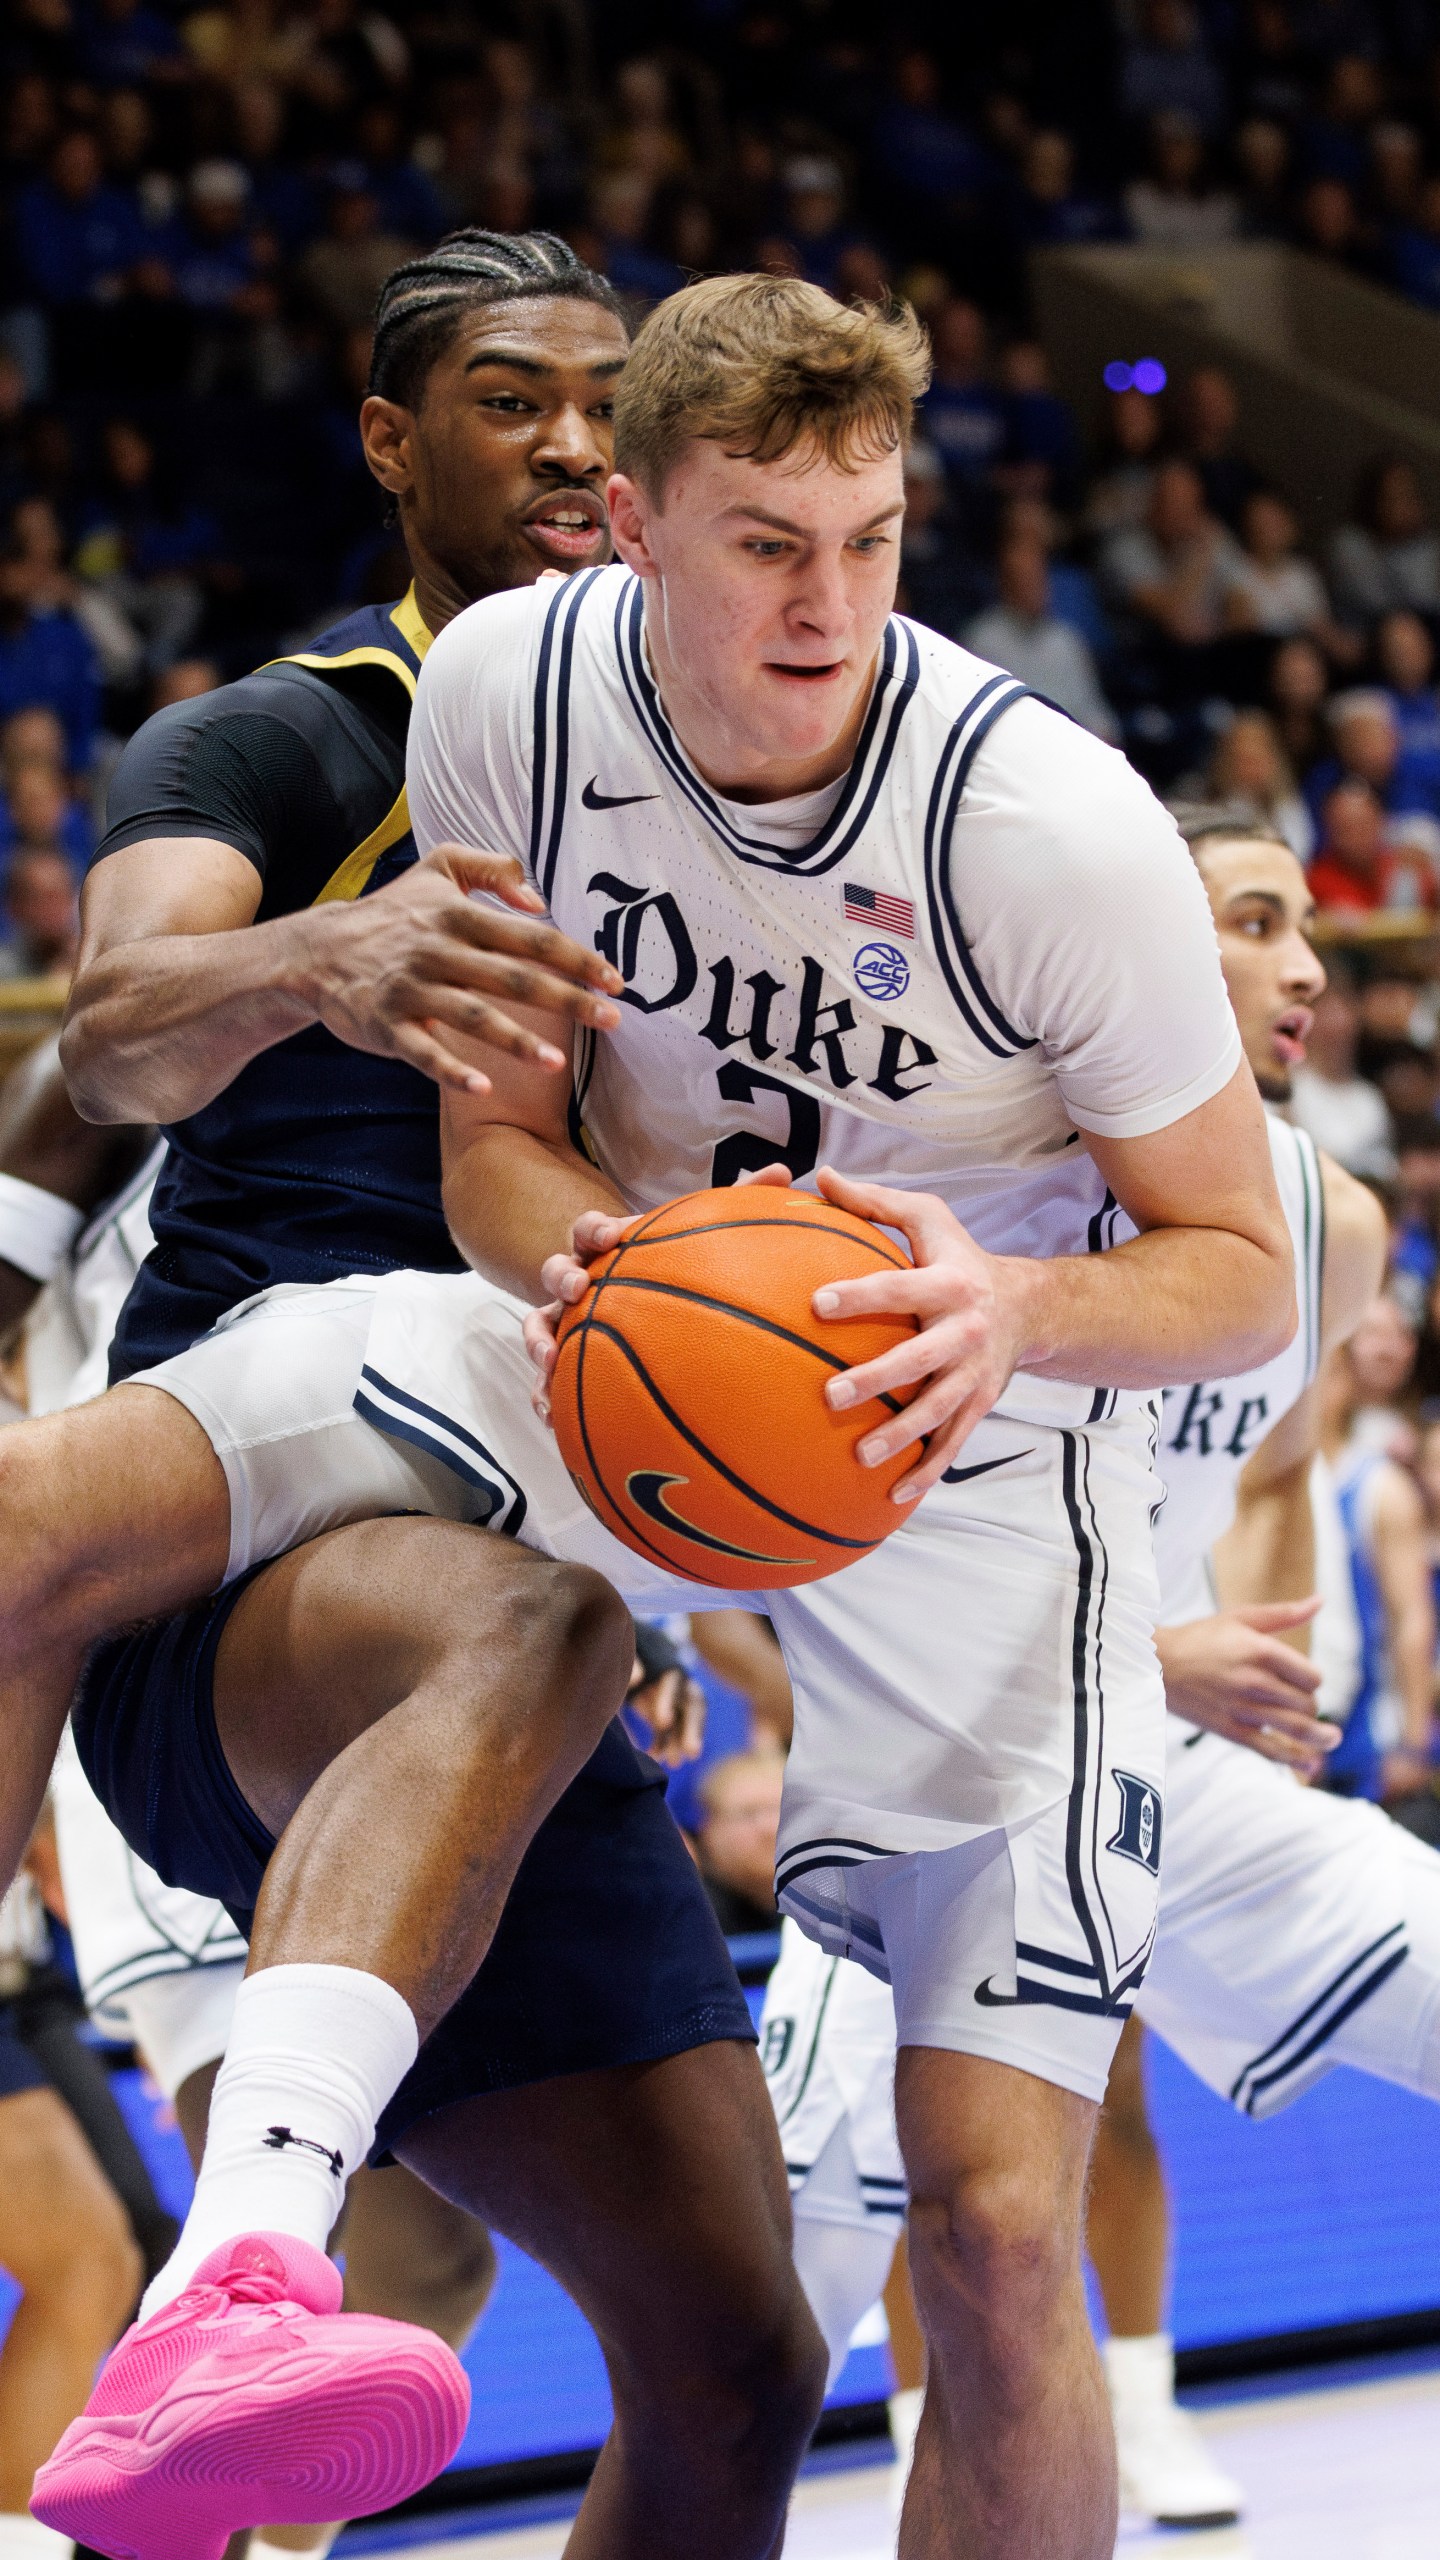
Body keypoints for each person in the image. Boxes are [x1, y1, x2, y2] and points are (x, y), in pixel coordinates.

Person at [27, 271, 1291, 2560]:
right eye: (760, 543)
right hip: (628, 1329)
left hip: (967, 1460)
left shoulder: (1050, 823)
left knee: (985, 2237)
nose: (822, 603)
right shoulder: (492, 690)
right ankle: (231, 2277)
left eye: (869, 541)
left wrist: (1007, 1297)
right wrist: (589, 1271)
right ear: (633, 526)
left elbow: (1236, 1263)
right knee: (45, 1507)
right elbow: (484, 1140)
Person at [17, 238, 825, 2559]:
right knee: (513, 1628)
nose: (576, 443)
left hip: (547, 1563)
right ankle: (231, 2267)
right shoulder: (275, 732)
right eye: (510, 400)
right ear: (394, 444)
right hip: (248, 1562)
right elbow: (111, 1024)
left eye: (610, 405)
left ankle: (232, 2324)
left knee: (733, 2356)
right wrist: (320, 953)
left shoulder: (728, 781)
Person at [758, 816, 1440, 2533]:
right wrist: (1152, 1646)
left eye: (1308, 932)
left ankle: (1144, 2415)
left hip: (1171, 1766)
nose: (1305, 968)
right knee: (754, 2325)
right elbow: (822, 1535)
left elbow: (1273, 1468)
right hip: (950, 1779)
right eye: (1255, 923)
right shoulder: (965, 1168)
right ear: (1138, 938)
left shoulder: (1323, 1221)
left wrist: (1267, 1660)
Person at [964, 533, 1118, 738]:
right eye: (1024, 581)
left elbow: (1094, 713)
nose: (1036, 591)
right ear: (1006, 586)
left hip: (1070, 749)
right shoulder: (982, 641)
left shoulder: (1066, 640)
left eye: (1039, 580)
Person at [694, 1752, 786, 1936]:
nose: (770, 1828)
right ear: (709, 1830)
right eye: (749, 1813)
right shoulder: (691, 1914)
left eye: (783, 1810)